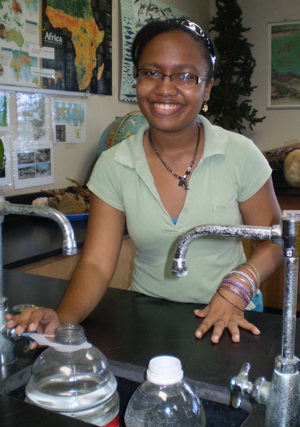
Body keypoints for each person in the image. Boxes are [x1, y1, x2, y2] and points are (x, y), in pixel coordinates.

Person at [6, 18, 283, 345]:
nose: (165, 88)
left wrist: (235, 289)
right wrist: (63, 320)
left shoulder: (240, 153)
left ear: (206, 88)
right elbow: (96, 263)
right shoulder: (113, 165)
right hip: (149, 317)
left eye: (185, 75)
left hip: (232, 314)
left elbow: (275, 240)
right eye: (151, 72)